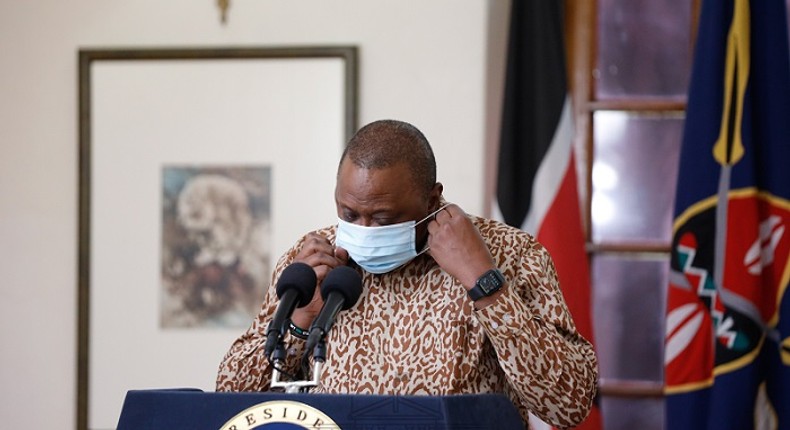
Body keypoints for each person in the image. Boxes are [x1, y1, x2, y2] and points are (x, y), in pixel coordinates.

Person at [216, 119, 598, 428]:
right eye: (349, 214)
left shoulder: (508, 254)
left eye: (383, 218)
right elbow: (230, 399)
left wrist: (484, 282)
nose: (363, 228)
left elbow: (568, 404)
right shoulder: (315, 259)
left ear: (432, 199)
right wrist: (300, 321)